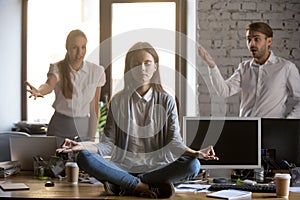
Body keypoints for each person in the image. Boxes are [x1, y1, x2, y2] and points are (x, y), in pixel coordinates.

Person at [57, 42, 218, 198]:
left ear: (155, 67)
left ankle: (125, 185)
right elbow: (107, 145)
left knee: (193, 164)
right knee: (83, 157)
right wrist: (81, 145)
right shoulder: (118, 101)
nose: (142, 68)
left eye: (147, 63)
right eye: (136, 64)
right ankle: (142, 187)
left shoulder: (167, 100)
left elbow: (174, 143)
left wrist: (196, 153)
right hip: (123, 168)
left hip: (157, 169)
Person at [198, 22, 300, 118]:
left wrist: (288, 122)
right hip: (245, 129)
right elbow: (223, 91)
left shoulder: (286, 68)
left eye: (257, 39)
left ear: (269, 41)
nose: (252, 44)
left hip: (272, 130)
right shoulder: (244, 68)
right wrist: (211, 64)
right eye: (249, 39)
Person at [26, 29, 106, 145]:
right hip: (59, 129)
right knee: (56, 162)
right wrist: (39, 91)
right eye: (74, 48)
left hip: (83, 131)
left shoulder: (96, 71)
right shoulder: (57, 68)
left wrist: (92, 139)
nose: (80, 53)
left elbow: (93, 110)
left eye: (83, 47)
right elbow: (49, 84)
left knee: (82, 162)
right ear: (67, 48)